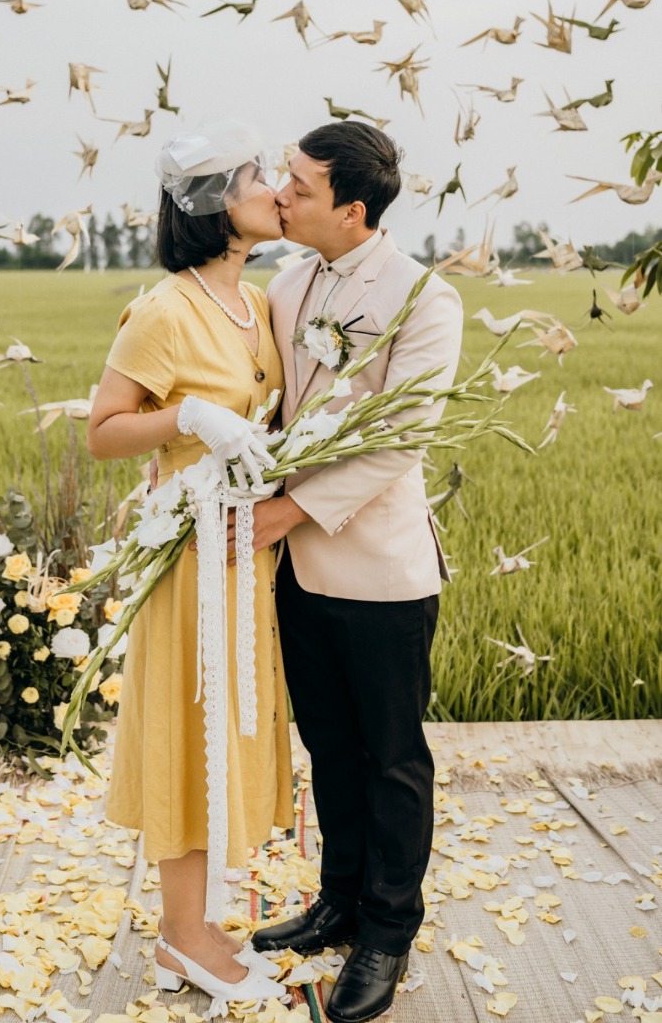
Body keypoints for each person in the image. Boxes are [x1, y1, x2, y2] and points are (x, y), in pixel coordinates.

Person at [247, 121, 464, 1023]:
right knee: (328, 750)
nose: (280, 196)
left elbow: (403, 438)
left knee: (391, 759)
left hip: (382, 574)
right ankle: (337, 900)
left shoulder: (425, 300)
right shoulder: (288, 284)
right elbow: (271, 408)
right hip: (300, 570)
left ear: (353, 207)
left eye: (299, 186)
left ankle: (386, 930)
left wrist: (284, 511)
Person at [87, 121, 294, 1005]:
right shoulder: (165, 311)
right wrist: (187, 420)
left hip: (249, 555)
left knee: (226, 736)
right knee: (185, 729)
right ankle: (180, 936)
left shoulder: (262, 302)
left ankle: (200, 926)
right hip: (193, 562)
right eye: (257, 179)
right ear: (217, 208)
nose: (274, 189)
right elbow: (102, 430)